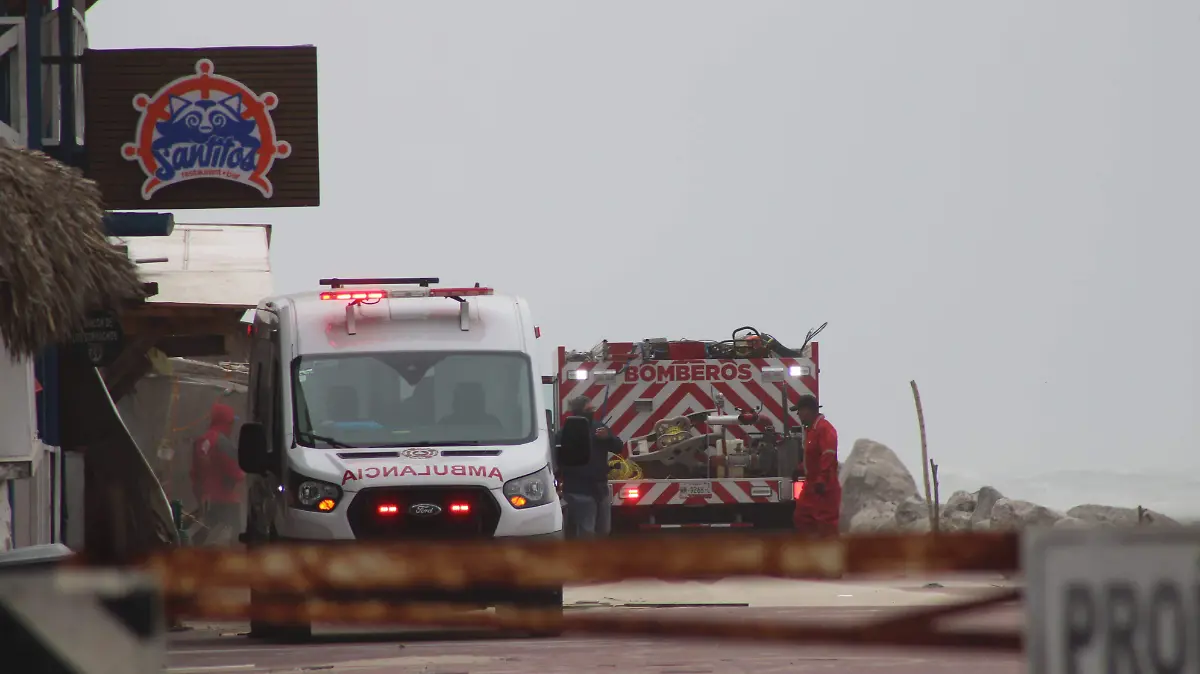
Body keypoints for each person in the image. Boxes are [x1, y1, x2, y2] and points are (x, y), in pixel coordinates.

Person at [558, 396, 620, 538]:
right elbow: (558, 458)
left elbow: (618, 447)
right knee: (586, 531)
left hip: (600, 488)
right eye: (588, 409)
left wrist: (608, 438)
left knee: (604, 530)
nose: (592, 412)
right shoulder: (565, 433)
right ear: (578, 411)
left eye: (592, 409)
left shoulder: (600, 429)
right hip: (579, 490)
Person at [190, 401, 244, 545]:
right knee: (234, 541)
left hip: (207, 499)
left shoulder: (202, 441)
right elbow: (236, 473)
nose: (233, 426)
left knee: (205, 534)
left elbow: (194, 473)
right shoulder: (222, 442)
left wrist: (200, 494)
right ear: (225, 423)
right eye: (231, 422)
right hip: (227, 501)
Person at [791, 394, 841, 537]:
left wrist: (822, 479)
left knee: (826, 522)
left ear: (808, 410)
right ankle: (810, 549)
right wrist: (801, 468)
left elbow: (828, 455)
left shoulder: (825, 429)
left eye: (799, 411)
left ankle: (828, 550)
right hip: (811, 485)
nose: (798, 415)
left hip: (824, 486)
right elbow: (812, 456)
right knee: (801, 517)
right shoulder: (811, 431)